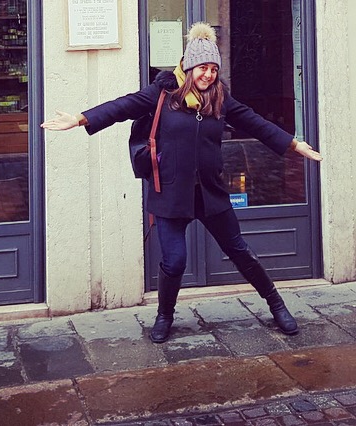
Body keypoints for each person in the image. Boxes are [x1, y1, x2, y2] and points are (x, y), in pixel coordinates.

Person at [42, 22, 322, 343]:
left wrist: (293, 144)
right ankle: (164, 316)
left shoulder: (219, 98)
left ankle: (276, 304)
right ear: (189, 67)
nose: (208, 75)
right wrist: (79, 119)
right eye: (203, 67)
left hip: (210, 193)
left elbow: (254, 122)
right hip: (171, 193)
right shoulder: (162, 94)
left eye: (214, 68)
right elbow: (123, 106)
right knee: (174, 260)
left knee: (239, 251)